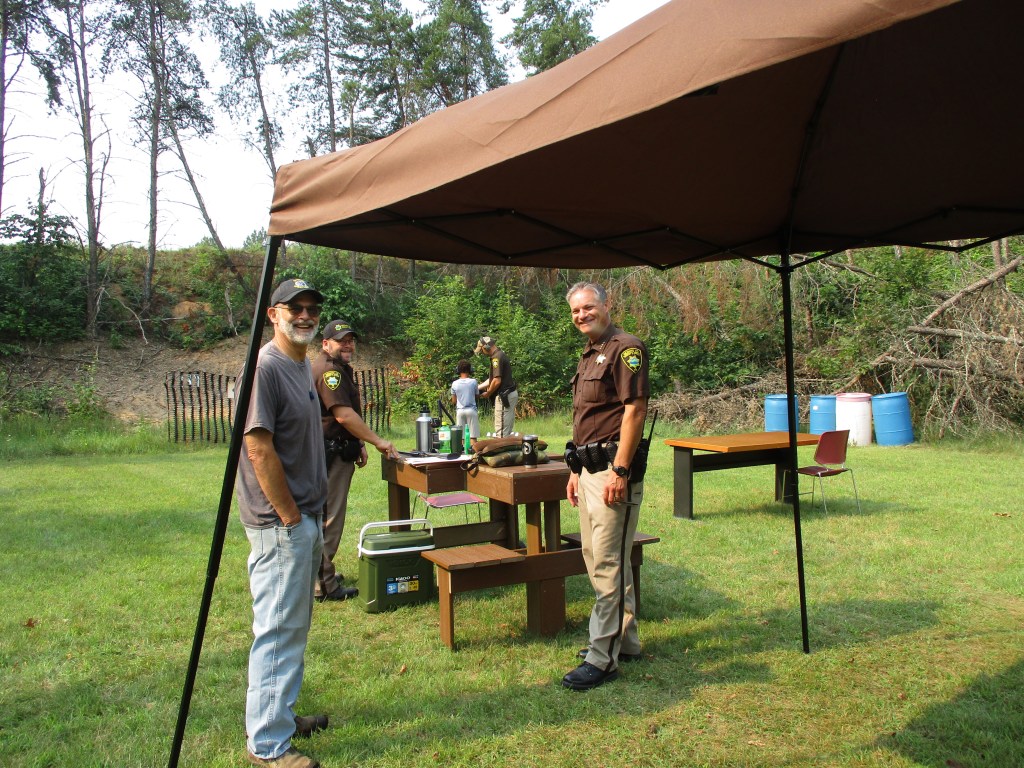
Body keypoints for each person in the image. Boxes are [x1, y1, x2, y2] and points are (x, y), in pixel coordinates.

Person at [235, 278, 330, 768]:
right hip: (280, 525)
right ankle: (269, 746)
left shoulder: (302, 366)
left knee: (292, 626)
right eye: (295, 307)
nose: (306, 315)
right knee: (276, 629)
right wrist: (292, 517)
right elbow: (257, 446)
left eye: (313, 308)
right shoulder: (267, 368)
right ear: (273, 314)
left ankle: (280, 716)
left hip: (302, 518)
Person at [562, 282, 650, 692]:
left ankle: (602, 658)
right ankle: (625, 641)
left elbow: (635, 410)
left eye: (589, 307)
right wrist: (576, 468)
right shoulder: (588, 355)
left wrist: (620, 469)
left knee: (607, 563)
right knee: (597, 553)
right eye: (577, 311)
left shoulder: (624, 348)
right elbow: (587, 419)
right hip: (589, 470)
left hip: (614, 472)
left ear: (606, 305)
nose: (582, 315)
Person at [312, 319, 400, 602]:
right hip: (330, 455)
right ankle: (323, 585)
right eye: (341, 341)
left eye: (350, 340)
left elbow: (344, 417)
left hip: (338, 448)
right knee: (329, 518)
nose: (348, 345)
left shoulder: (337, 369)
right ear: (326, 344)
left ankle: (322, 573)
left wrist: (359, 442)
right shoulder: (330, 372)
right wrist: (378, 441)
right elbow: (342, 415)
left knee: (325, 516)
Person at [474, 335, 518, 437]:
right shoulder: (500, 354)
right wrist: (478, 387)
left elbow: (497, 381)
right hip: (510, 394)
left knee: (501, 432)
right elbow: (492, 379)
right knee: (507, 430)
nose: (482, 353)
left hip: (504, 396)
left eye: (482, 351)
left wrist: (488, 393)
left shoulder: (496, 358)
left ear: (486, 347)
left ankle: (502, 451)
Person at [450, 359, 480, 448]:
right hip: (471, 410)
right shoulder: (473, 381)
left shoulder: (454, 383)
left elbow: (453, 401)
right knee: (473, 435)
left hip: (460, 411)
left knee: (461, 436)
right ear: (470, 370)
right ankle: (473, 453)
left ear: (458, 370)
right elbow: (477, 396)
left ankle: (461, 454)